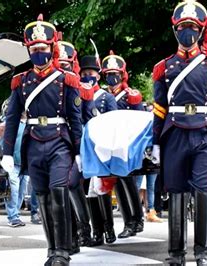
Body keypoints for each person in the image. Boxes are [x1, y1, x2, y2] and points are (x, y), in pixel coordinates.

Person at [151, 1, 207, 265]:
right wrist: (155, 142)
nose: (188, 32)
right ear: (175, 30)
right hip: (174, 133)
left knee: (203, 190)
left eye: (193, 27)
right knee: (175, 191)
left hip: (206, 133)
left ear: (201, 30)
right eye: (183, 27)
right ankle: (176, 253)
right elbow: (159, 109)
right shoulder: (163, 67)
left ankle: (203, 252)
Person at [2, 14, 82, 266]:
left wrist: (79, 151)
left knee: (58, 193)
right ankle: (52, 249)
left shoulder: (65, 79)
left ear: (51, 48)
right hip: (33, 142)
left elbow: (75, 118)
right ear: (29, 49)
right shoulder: (20, 81)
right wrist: (5, 152)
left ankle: (62, 252)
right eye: (34, 49)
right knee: (43, 197)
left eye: (43, 48)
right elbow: (12, 119)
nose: (39, 52)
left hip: (59, 141)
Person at [102, 51, 145, 239]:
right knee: (116, 184)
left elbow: (141, 120)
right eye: (108, 74)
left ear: (122, 75)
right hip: (108, 145)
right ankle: (129, 220)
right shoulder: (103, 96)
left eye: (115, 74)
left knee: (127, 182)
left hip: (127, 145)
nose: (112, 78)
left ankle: (135, 220)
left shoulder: (130, 96)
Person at [57, 40, 93, 253]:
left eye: (66, 63)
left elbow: (88, 120)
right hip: (57, 140)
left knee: (72, 185)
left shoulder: (83, 89)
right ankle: (69, 237)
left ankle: (84, 228)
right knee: (61, 187)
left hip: (77, 142)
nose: (63, 67)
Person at [79, 55, 118, 246]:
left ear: (98, 75)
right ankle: (97, 232)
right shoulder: (78, 95)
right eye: (84, 74)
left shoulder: (106, 97)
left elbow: (114, 122)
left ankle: (108, 229)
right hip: (86, 147)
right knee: (89, 191)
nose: (87, 77)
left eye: (91, 73)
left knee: (100, 189)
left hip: (102, 146)